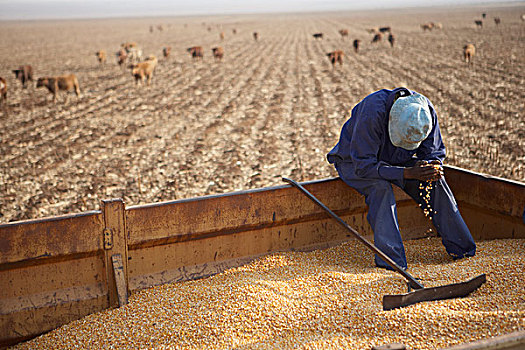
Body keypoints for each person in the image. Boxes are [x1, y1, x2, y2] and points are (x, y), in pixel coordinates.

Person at [327, 87, 476, 270]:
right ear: (392, 119)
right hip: (355, 162)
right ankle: (392, 264)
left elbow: (433, 152)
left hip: (397, 160)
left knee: (434, 181)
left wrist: (431, 166)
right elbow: (364, 166)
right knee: (380, 189)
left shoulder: (424, 113)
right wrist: (405, 173)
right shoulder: (372, 113)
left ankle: (463, 252)